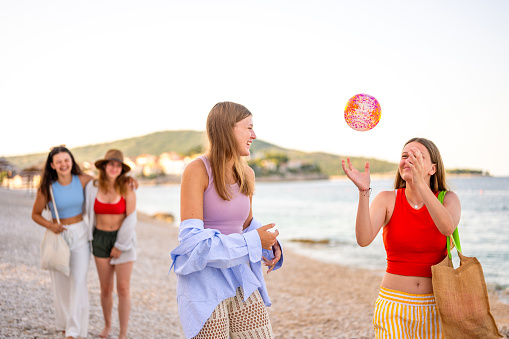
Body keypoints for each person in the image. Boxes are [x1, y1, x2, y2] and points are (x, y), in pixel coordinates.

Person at [170, 101, 283, 339]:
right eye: (248, 127)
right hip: (204, 281)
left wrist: (268, 244)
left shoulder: (247, 173)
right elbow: (193, 243)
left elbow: (245, 224)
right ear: (227, 129)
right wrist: (253, 242)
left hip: (241, 276)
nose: (254, 135)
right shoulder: (197, 170)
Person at [342, 137, 461, 338]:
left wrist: (420, 183)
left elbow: (447, 228)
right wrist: (364, 192)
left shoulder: (448, 199)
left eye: (417, 156)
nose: (408, 160)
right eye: (404, 156)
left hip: (436, 306)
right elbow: (363, 239)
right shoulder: (388, 199)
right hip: (393, 306)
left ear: (432, 168)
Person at [32, 146, 93, 339]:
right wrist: (50, 226)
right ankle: (65, 323)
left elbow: (109, 183)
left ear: (71, 161)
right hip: (59, 235)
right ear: (52, 165)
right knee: (61, 284)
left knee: (79, 281)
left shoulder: (83, 180)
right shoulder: (47, 187)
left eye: (66, 160)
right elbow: (35, 214)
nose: (63, 164)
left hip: (81, 234)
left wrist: (130, 181)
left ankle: (73, 331)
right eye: (58, 162)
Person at [84, 149, 137, 339]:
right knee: (105, 288)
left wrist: (120, 246)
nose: (114, 168)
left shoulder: (128, 187)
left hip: (124, 240)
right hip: (100, 238)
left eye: (118, 165)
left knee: (123, 288)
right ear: (104, 166)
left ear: (121, 169)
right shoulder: (92, 187)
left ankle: (123, 333)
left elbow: (131, 219)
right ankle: (107, 325)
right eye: (111, 164)